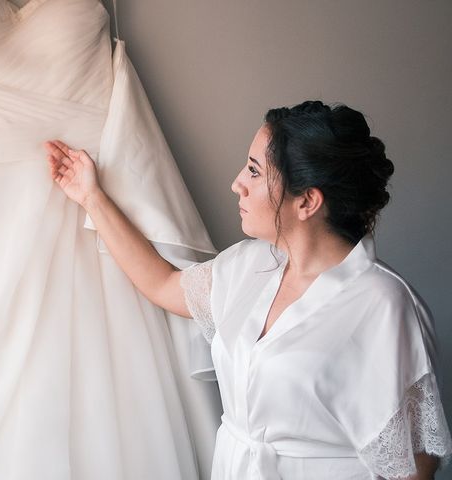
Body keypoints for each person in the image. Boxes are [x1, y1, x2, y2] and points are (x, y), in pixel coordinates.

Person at [45, 100, 452, 479]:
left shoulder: (384, 304)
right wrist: (91, 197)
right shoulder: (248, 265)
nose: (237, 183)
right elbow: (163, 284)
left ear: (307, 201)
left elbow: (414, 466)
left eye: (254, 171)